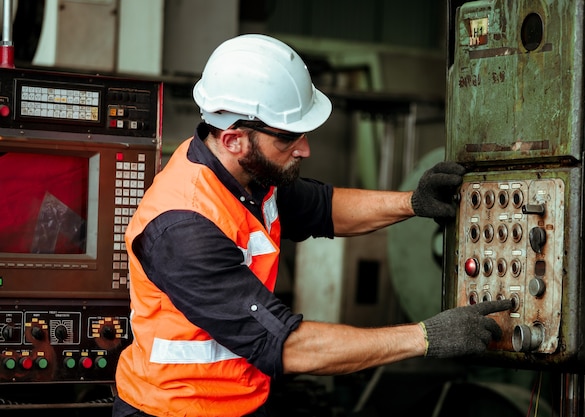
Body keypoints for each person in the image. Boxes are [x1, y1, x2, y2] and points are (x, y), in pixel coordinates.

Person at [112, 34, 511, 417]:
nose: (304, 148)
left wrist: (412, 202)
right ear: (234, 139)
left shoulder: (245, 175)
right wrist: (426, 337)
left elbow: (323, 207)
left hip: (240, 400)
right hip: (174, 409)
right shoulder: (182, 230)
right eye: (288, 138)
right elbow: (288, 345)